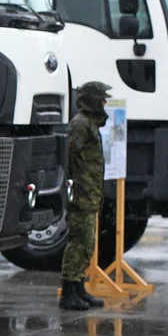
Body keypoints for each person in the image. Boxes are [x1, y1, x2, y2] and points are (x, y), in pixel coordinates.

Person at [60, 81, 113, 312]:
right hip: (81, 195)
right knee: (78, 243)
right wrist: (76, 188)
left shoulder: (90, 124)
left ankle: (78, 288)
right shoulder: (80, 124)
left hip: (90, 194)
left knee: (87, 244)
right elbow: (70, 157)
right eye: (101, 99)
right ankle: (69, 292)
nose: (104, 103)